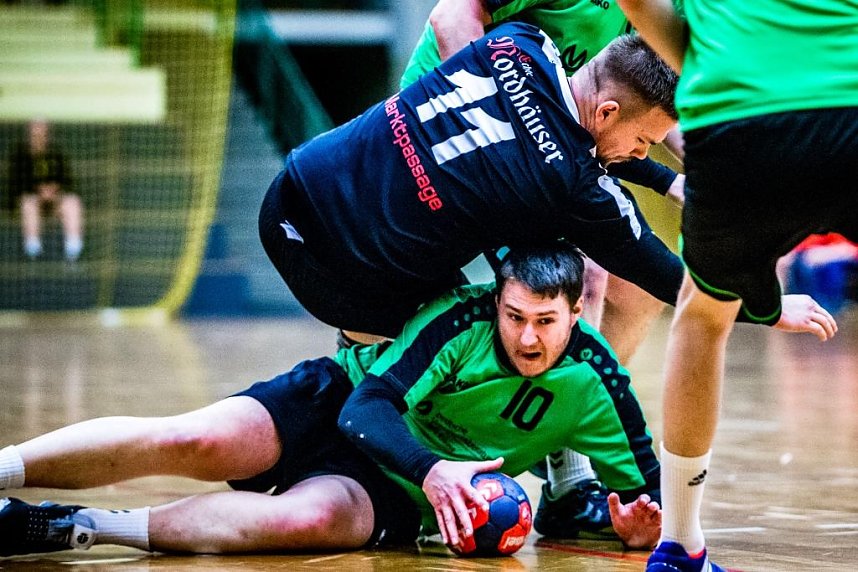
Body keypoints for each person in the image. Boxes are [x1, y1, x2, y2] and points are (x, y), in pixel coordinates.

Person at [260, 21, 826, 542]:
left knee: (510, 285)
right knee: (470, 330)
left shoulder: (518, 42)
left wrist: (662, 181)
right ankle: (403, 460)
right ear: (605, 113)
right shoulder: (573, 189)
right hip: (336, 271)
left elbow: (556, 131)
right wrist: (768, 306)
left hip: (293, 192)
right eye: (647, 141)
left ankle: (390, 412)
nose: (642, 152)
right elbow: (662, 271)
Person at [0, 243, 663, 556]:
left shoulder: (599, 384)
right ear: (499, 300)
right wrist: (435, 472)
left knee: (297, 523)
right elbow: (363, 410)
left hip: (391, 494)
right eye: (514, 315)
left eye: (545, 322)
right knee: (193, 439)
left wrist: (641, 529)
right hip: (338, 401)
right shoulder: (462, 323)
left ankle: (70, 525)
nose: (525, 336)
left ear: (577, 312)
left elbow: (651, 496)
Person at [399, 0, 688, 536]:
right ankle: (568, 478)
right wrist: (510, 147)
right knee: (583, 274)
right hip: (455, 139)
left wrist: (701, 166)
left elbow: (643, 97)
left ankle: (562, 455)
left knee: (634, 288)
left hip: (548, 150)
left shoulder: (641, 10)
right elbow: (450, 19)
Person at [614, 1, 851, 570]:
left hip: (736, 116)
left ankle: (679, 544)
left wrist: (700, 67)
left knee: (701, 317)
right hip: (849, 99)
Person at [7, 119, 84, 261]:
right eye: (35, 134)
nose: (39, 137)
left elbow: (68, 183)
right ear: (29, 135)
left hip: (54, 202)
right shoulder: (20, 156)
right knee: (28, 203)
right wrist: (38, 191)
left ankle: (73, 251)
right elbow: (15, 187)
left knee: (72, 202)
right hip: (32, 203)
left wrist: (55, 192)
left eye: (43, 133)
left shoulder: (56, 155)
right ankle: (32, 251)